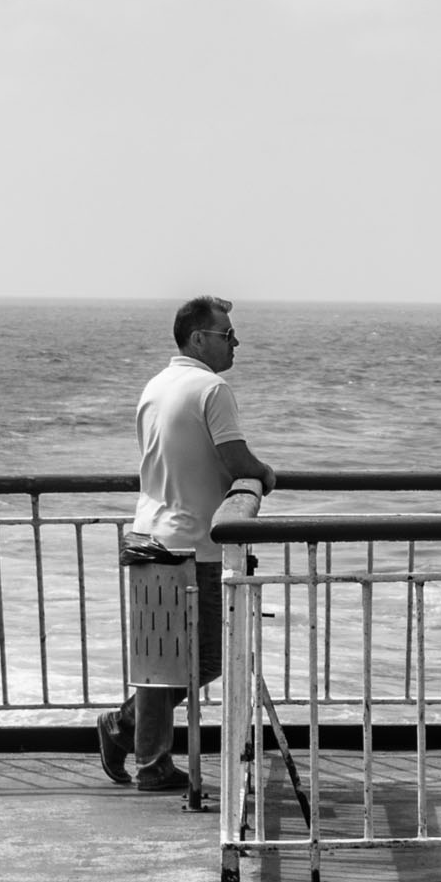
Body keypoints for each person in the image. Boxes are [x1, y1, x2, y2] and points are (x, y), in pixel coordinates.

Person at [97, 296, 277, 793]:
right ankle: (130, 735)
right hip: (195, 543)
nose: (236, 342)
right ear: (198, 339)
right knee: (212, 657)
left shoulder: (156, 385)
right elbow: (236, 459)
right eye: (227, 334)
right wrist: (264, 475)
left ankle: (146, 755)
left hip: (149, 533)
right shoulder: (212, 388)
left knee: (163, 659)